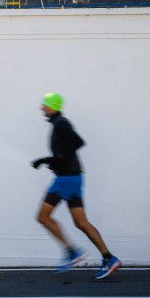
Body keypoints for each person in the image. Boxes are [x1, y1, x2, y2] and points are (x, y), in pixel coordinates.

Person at [32, 92, 121, 279]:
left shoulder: (61, 123)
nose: (41, 108)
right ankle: (109, 258)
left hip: (65, 179)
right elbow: (65, 151)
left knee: (42, 217)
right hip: (74, 177)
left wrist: (59, 159)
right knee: (81, 222)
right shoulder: (59, 123)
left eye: (44, 105)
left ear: (52, 106)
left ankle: (72, 252)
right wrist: (48, 160)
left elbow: (78, 142)